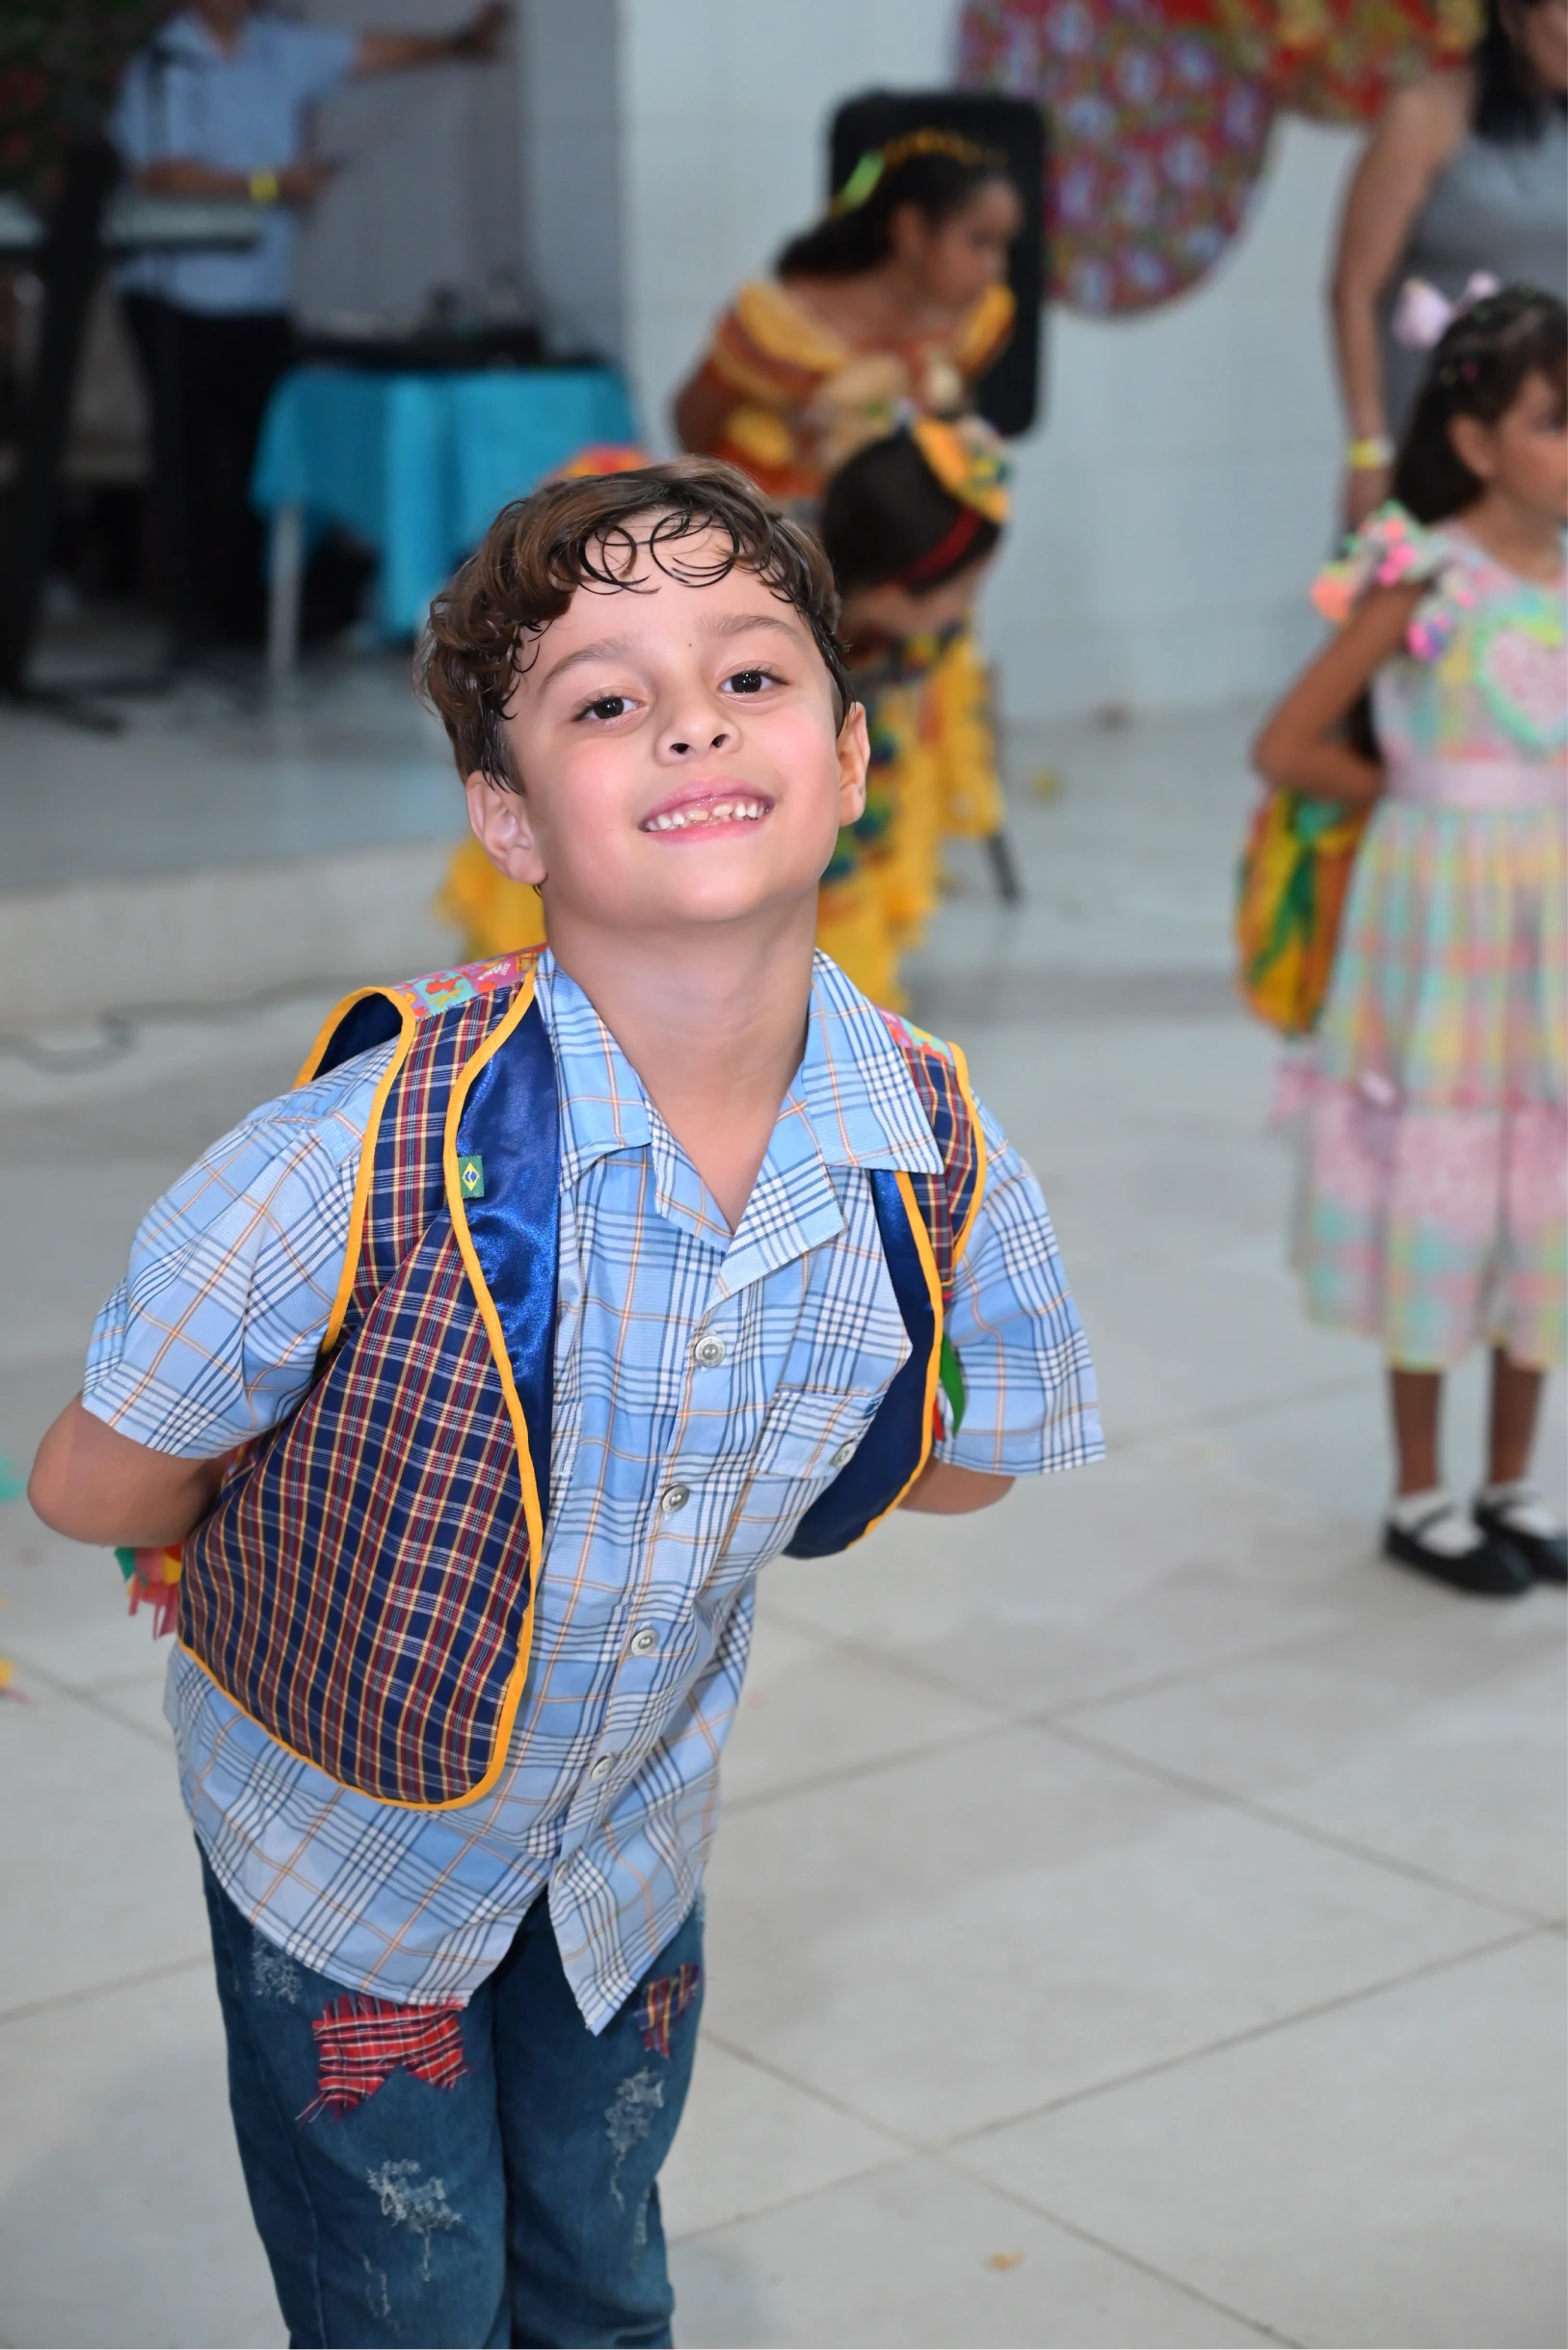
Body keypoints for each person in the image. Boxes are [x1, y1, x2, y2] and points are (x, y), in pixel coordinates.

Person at [28, 458, 1102, 2348]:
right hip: (345, 1853)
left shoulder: (938, 1149)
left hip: (626, 1844)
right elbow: (94, 1480)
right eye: (608, 700)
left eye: (750, 675)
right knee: (407, 2292)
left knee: (601, 2267)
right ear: (506, 816)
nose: (693, 718)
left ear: (853, 756)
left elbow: (962, 1461)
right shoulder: (344, 1156)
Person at [1254, 284, 1568, 1597]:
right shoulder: (1421, 574)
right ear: (1477, 440)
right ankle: (1420, 1491)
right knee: (1443, 1173)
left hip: (1548, 930)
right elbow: (1287, 742)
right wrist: (1421, 795)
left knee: (1538, 1179)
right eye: (1554, 421)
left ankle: (1512, 1481)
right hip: (1437, 924)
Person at [111, 0, 506, 654]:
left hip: (260, 294)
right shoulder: (166, 63)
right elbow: (162, 173)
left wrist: (458, 44)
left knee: (260, 457)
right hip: (176, 295)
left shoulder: (279, 48)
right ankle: (188, 615)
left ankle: (250, 611)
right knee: (191, 460)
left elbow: (369, 52)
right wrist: (272, 186)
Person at [1332, 0, 1568, 529]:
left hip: (1550, 453)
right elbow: (1353, 290)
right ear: (1513, 17)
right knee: (1417, 576)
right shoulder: (1427, 115)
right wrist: (1369, 445)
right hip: (1442, 439)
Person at [814, 414, 1009, 1005]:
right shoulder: (794, 667)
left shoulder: (895, 633)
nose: (963, 612)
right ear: (889, 597)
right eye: (963, 591)